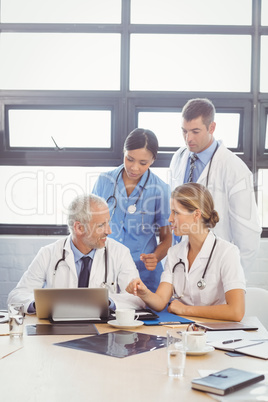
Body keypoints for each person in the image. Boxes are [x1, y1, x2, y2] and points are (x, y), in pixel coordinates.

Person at [126, 183, 246, 322]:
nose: (170, 218)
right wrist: (144, 293)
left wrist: (185, 310)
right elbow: (160, 302)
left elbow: (236, 311)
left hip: (216, 333)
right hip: (182, 333)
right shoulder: (174, 253)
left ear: (196, 214)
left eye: (176, 212)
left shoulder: (227, 252)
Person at [7, 194, 145, 313]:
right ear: (79, 228)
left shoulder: (120, 253)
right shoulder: (48, 254)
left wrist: (107, 302)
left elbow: (137, 298)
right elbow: (16, 296)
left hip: (103, 329)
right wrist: (40, 304)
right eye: (101, 225)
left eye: (108, 223)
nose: (109, 231)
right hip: (56, 327)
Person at [169, 98, 261, 276]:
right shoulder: (179, 158)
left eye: (195, 131)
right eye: (184, 131)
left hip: (215, 266)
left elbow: (247, 234)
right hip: (180, 261)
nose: (188, 139)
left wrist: (233, 280)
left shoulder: (233, 167)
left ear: (212, 128)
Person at [92, 128, 172, 292]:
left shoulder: (160, 189)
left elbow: (167, 237)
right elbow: (91, 223)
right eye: (130, 159)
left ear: (153, 160)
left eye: (143, 163)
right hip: (106, 267)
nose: (134, 168)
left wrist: (156, 257)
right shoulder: (104, 181)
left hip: (142, 274)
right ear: (124, 152)